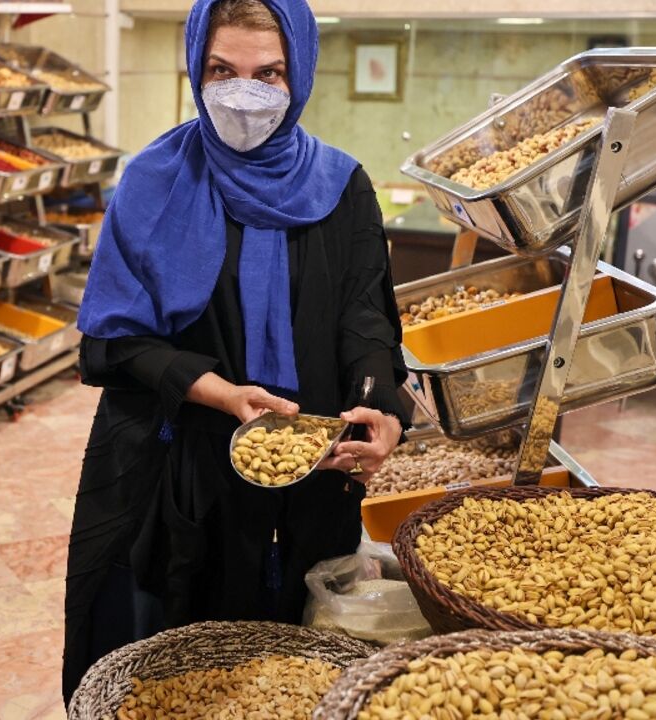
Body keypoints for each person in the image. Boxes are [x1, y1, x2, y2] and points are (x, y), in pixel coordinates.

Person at [63, 0, 412, 701]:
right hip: (185, 472)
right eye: (222, 70)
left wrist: (379, 405)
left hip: (315, 471)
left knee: (302, 675)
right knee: (187, 675)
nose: (243, 92)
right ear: (195, 65)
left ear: (301, 74)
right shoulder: (155, 182)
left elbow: (365, 316)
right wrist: (217, 391)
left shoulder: (342, 186)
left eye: (269, 73)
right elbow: (115, 341)